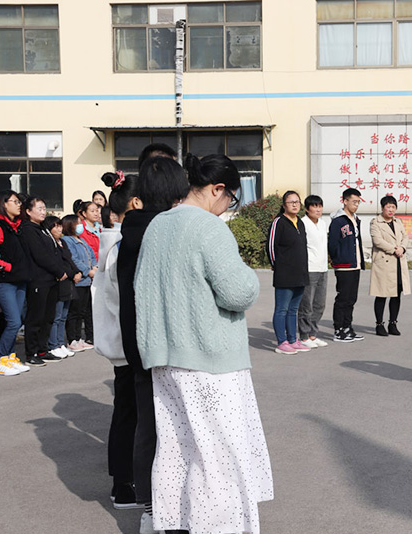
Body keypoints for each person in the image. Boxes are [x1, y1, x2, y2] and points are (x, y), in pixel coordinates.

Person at [135, 153, 273, 534]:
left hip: (165, 356)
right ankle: (217, 528)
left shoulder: (158, 225)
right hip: (210, 359)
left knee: (177, 449)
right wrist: (250, 274)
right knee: (219, 456)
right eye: (230, 198)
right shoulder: (210, 228)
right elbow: (238, 291)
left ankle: (173, 524)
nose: (229, 206)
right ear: (216, 190)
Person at [117, 156, 189, 533]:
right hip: (170, 345)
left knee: (149, 427)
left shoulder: (131, 229)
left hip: (138, 344)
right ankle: (171, 509)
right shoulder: (169, 230)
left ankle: (150, 509)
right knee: (177, 431)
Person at [93, 171, 144, 510]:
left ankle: (124, 479)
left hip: (121, 344)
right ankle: (123, 482)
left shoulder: (114, 242)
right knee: (129, 414)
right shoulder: (120, 247)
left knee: (127, 412)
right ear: (136, 204)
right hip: (128, 345)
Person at [0, 190, 31, 375]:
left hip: (20, 280)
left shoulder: (18, 226)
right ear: (4, 204)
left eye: (19, 201)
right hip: (5, 281)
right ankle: (1, 360)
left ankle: (10, 357)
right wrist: (8, 267)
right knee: (13, 321)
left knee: (16, 320)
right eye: (15, 201)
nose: (19, 204)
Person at [21, 196, 67, 366]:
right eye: (38, 208)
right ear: (28, 211)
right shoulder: (28, 229)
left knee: (48, 316)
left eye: (43, 208)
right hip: (39, 279)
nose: (42, 211)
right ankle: (31, 352)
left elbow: (53, 252)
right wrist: (58, 270)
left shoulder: (42, 228)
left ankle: (42, 348)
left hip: (51, 279)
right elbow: (40, 255)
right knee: (36, 317)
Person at [267, 191, 310, 355]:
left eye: (297, 202)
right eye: (291, 202)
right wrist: (275, 265)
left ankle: (293, 340)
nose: (295, 204)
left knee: (293, 310)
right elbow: (271, 246)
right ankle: (282, 342)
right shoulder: (279, 222)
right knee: (282, 309)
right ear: (284, 205)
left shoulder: (300, 222)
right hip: (284, 274)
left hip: (300, 274)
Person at [369, 195, 411, 336]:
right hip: (385, 263)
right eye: (388, 207)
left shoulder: (398, 222)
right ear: (382, 208)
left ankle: (393, 323)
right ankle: (379, 324)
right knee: (382, 294)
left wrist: (403, 248)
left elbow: (405, 237)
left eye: (393, 207)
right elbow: (377, 241)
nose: (391, 209)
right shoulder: (376, 222)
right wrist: (395, 249)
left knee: (396, 294)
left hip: (398, 262)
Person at [328, 187, 365, 343]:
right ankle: (338, 330)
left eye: (358, 202)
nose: (356, 205)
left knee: (351, 298)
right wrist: (338, 258)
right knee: (342, 298)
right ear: (345, 201)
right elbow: (332, 244)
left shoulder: (355, 219)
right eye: (353, 201)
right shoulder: (338, 221)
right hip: (344, 265)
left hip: (355, 264)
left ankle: (348, 327)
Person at [43, 215, 79, 359]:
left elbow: (69, 259)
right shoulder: (51, 243)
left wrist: (77, 271)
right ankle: (54, 345)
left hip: (68, 282)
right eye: (55, 226)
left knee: (63, 315)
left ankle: (60, 342)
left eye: (60, 226)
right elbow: (60, 264)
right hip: (60, 280)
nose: (59, 229)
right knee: (56, 316)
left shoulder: (63, 242)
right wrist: (72, 273)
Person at [62, 214, 97, 351]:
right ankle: (72, 339)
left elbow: (92, 255)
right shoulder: (68, 240)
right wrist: (87, 271)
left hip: (87, 281)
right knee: (74, 312)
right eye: (77, 223)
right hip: (79, 280)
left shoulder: (81, 239)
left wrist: (95, 267)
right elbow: (74, 259)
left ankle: (79, 337)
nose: (80, 225)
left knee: (82, 311)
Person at [298, 195, 329, 348]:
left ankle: (313, 334)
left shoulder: (323, 224)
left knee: (319, 304)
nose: (318, 209)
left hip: (323, 268)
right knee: (306, 305)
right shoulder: (303, 224)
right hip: (309, 269)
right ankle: (304, 336)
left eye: (320, 206)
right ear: (307, 209)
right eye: (314, 206)